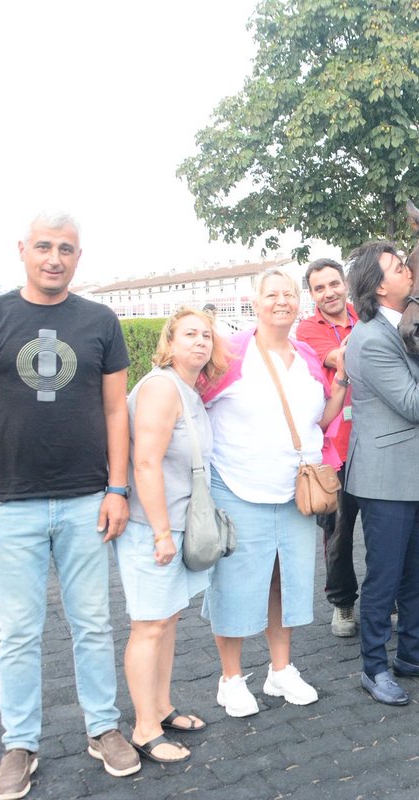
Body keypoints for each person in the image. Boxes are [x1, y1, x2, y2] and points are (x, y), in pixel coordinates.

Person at [0, 212, 140, 799]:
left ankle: (103, 728)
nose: (54, 257)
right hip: (9, 505)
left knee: (92, 624)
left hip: (87, 501)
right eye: (44, 247)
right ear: (23, 250)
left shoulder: (100, 321)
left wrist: (117, 488)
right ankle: (21, 744)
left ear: (79, 256)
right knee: (19, 632)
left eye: (67, 249)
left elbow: (116, 413)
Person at [199, 267, 349, 717]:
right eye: (272, 294)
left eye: (288, 294)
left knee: (284, 580)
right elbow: (193, 403)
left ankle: (280, 670)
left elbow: (321, 421)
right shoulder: (230, 353)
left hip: (293, 491)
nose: (281, 301)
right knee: (235, 583)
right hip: (238, 487)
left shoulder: (305, 355)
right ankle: (230, 678)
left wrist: (342, 380)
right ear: (255, 302)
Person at [343, 241, 419, 705]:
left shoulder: (407, 326)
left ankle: (412, 653)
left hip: (417, 474)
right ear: (378, 286)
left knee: (418, 574)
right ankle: (374, 667)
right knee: (384, 578)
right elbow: (415, 404)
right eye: (399, 267)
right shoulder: (371, 338)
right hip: (384, 480)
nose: (410, 270)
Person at [115, 308, 228, 765]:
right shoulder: (162, 387)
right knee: (148, 625)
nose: (200, 342)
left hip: (178, 525)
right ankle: (144, 728)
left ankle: (160, 708)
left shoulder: (188, 389)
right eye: (189, 335)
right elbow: (145, 462)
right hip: (152, 528)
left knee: (168, 620)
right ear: (170, 341)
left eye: (206, 335)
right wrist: (161, 532)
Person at [295, 258, 361, 638]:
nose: (329, 292)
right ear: (312, 294)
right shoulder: (307, 330)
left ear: (346, 284)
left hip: (373, 445)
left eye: (334, 284)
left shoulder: (363, 316)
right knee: (338, 533)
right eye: (320, 288)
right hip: (333, 450)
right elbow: (339, 359)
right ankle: (343, 604)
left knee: (384, 530)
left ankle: (390, 600)